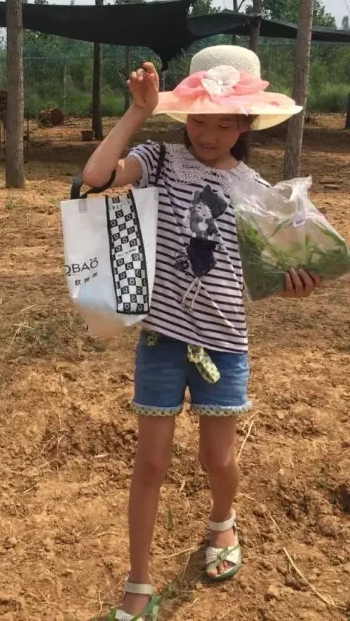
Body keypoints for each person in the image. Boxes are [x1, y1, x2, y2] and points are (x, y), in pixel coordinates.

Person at [80, 45, 320, 620]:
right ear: (183, 116)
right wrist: (138, 112)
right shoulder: (159, 160)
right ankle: (139, 579)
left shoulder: (259, 192)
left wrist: (294, 284)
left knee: (218, 459)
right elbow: (95, 176)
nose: (209, 134)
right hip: (160, 341)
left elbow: (266, 271)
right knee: (150, 464)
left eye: (223, 123)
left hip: (225, 344)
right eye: (199, 119)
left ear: (246, 124)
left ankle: (222, 521)